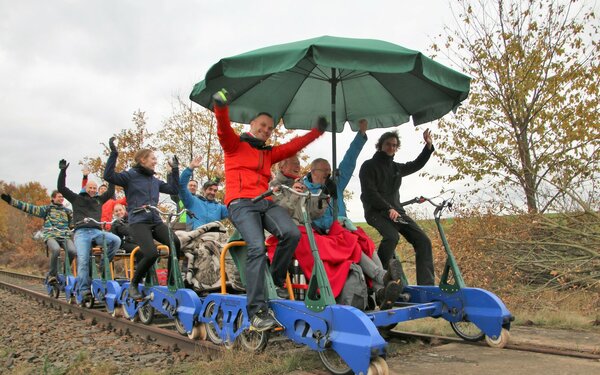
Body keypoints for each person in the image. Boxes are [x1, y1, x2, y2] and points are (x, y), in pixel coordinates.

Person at [213, 88, 325, 331]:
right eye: (262, 125)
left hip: (264, 201)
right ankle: (256, 311)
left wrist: (317, 132)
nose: (265, 130)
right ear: (252, 124)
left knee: (291, 233)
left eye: (269, 128)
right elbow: (222, 128)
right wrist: (220, 106)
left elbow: (294, 145)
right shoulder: (234, 145)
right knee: (256, 247)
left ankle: (274, 281)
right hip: (241, 203)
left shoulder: (268, 153)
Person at [103, 137, 181, 300]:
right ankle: (134, 284)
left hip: (155, 220)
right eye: (153, 158)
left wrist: (175, 169)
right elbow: (109, 176)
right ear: (142, 160)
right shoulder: (129, 176)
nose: (155, 161)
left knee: (175, 243)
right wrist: (114, 153)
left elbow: (174, 188)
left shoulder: (154, 180)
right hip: (139, 222)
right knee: (151, 253)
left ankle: (171, 282)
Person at [359, 129, 435, 286]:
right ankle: (379, 277)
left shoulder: (396, 168)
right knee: (392, 237)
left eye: (394, 145)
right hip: (376, 212)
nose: (391, 148)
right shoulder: (368, 166)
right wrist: (388, 208)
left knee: (423, 241)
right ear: (380, 145)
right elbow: (370, 193)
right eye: (388, 144)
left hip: (396, 212)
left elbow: (415, 165)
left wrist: (428, 147)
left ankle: (426, 286)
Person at [57, 160, 121, 298]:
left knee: (116, 240)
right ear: (86, 188)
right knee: (84, 260)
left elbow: (110, 190)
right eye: (90, 188)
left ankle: (104, 264)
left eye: (94, 188)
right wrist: (63, 171)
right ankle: (84, 289)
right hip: (82, 233)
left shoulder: (98, 200)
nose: (92, 190)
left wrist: (111, 172)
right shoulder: (76, 199)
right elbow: (61, 188)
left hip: (97, 232)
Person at [1, 190, 77, 283]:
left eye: (62, 197)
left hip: (64, 236)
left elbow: (74, 223)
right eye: (59, 197)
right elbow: (29, 208)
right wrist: (11, 201)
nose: (61, 198)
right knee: (56, 249)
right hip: (51, 236)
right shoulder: (47, 209)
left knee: (72, 251)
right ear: (53, 198)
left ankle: (65, 270)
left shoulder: (67, 211)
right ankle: (52, 275)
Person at [178, 156, 228, 229]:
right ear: (204, 190)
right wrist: (190, 168)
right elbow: (181, 186)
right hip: (195, 235)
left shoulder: (219, 208)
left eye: (215, 190)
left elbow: (235, 209)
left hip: (214, 238)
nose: (212, 192)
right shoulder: (193, 201)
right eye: (210, 189)